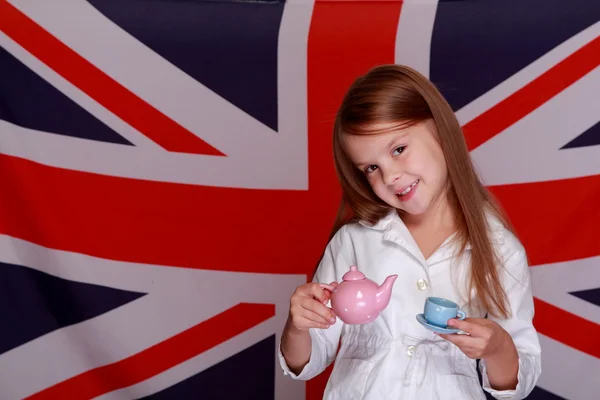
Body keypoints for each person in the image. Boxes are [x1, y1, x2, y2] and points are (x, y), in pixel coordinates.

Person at [278, 64, 541, 399]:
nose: (389, 177)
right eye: (371, 168)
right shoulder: (354, 242)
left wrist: (498, 348)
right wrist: (298, 325)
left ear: (441, 130)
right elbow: (308, 361)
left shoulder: (501, 249)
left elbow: (514, 385)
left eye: (398, 149)